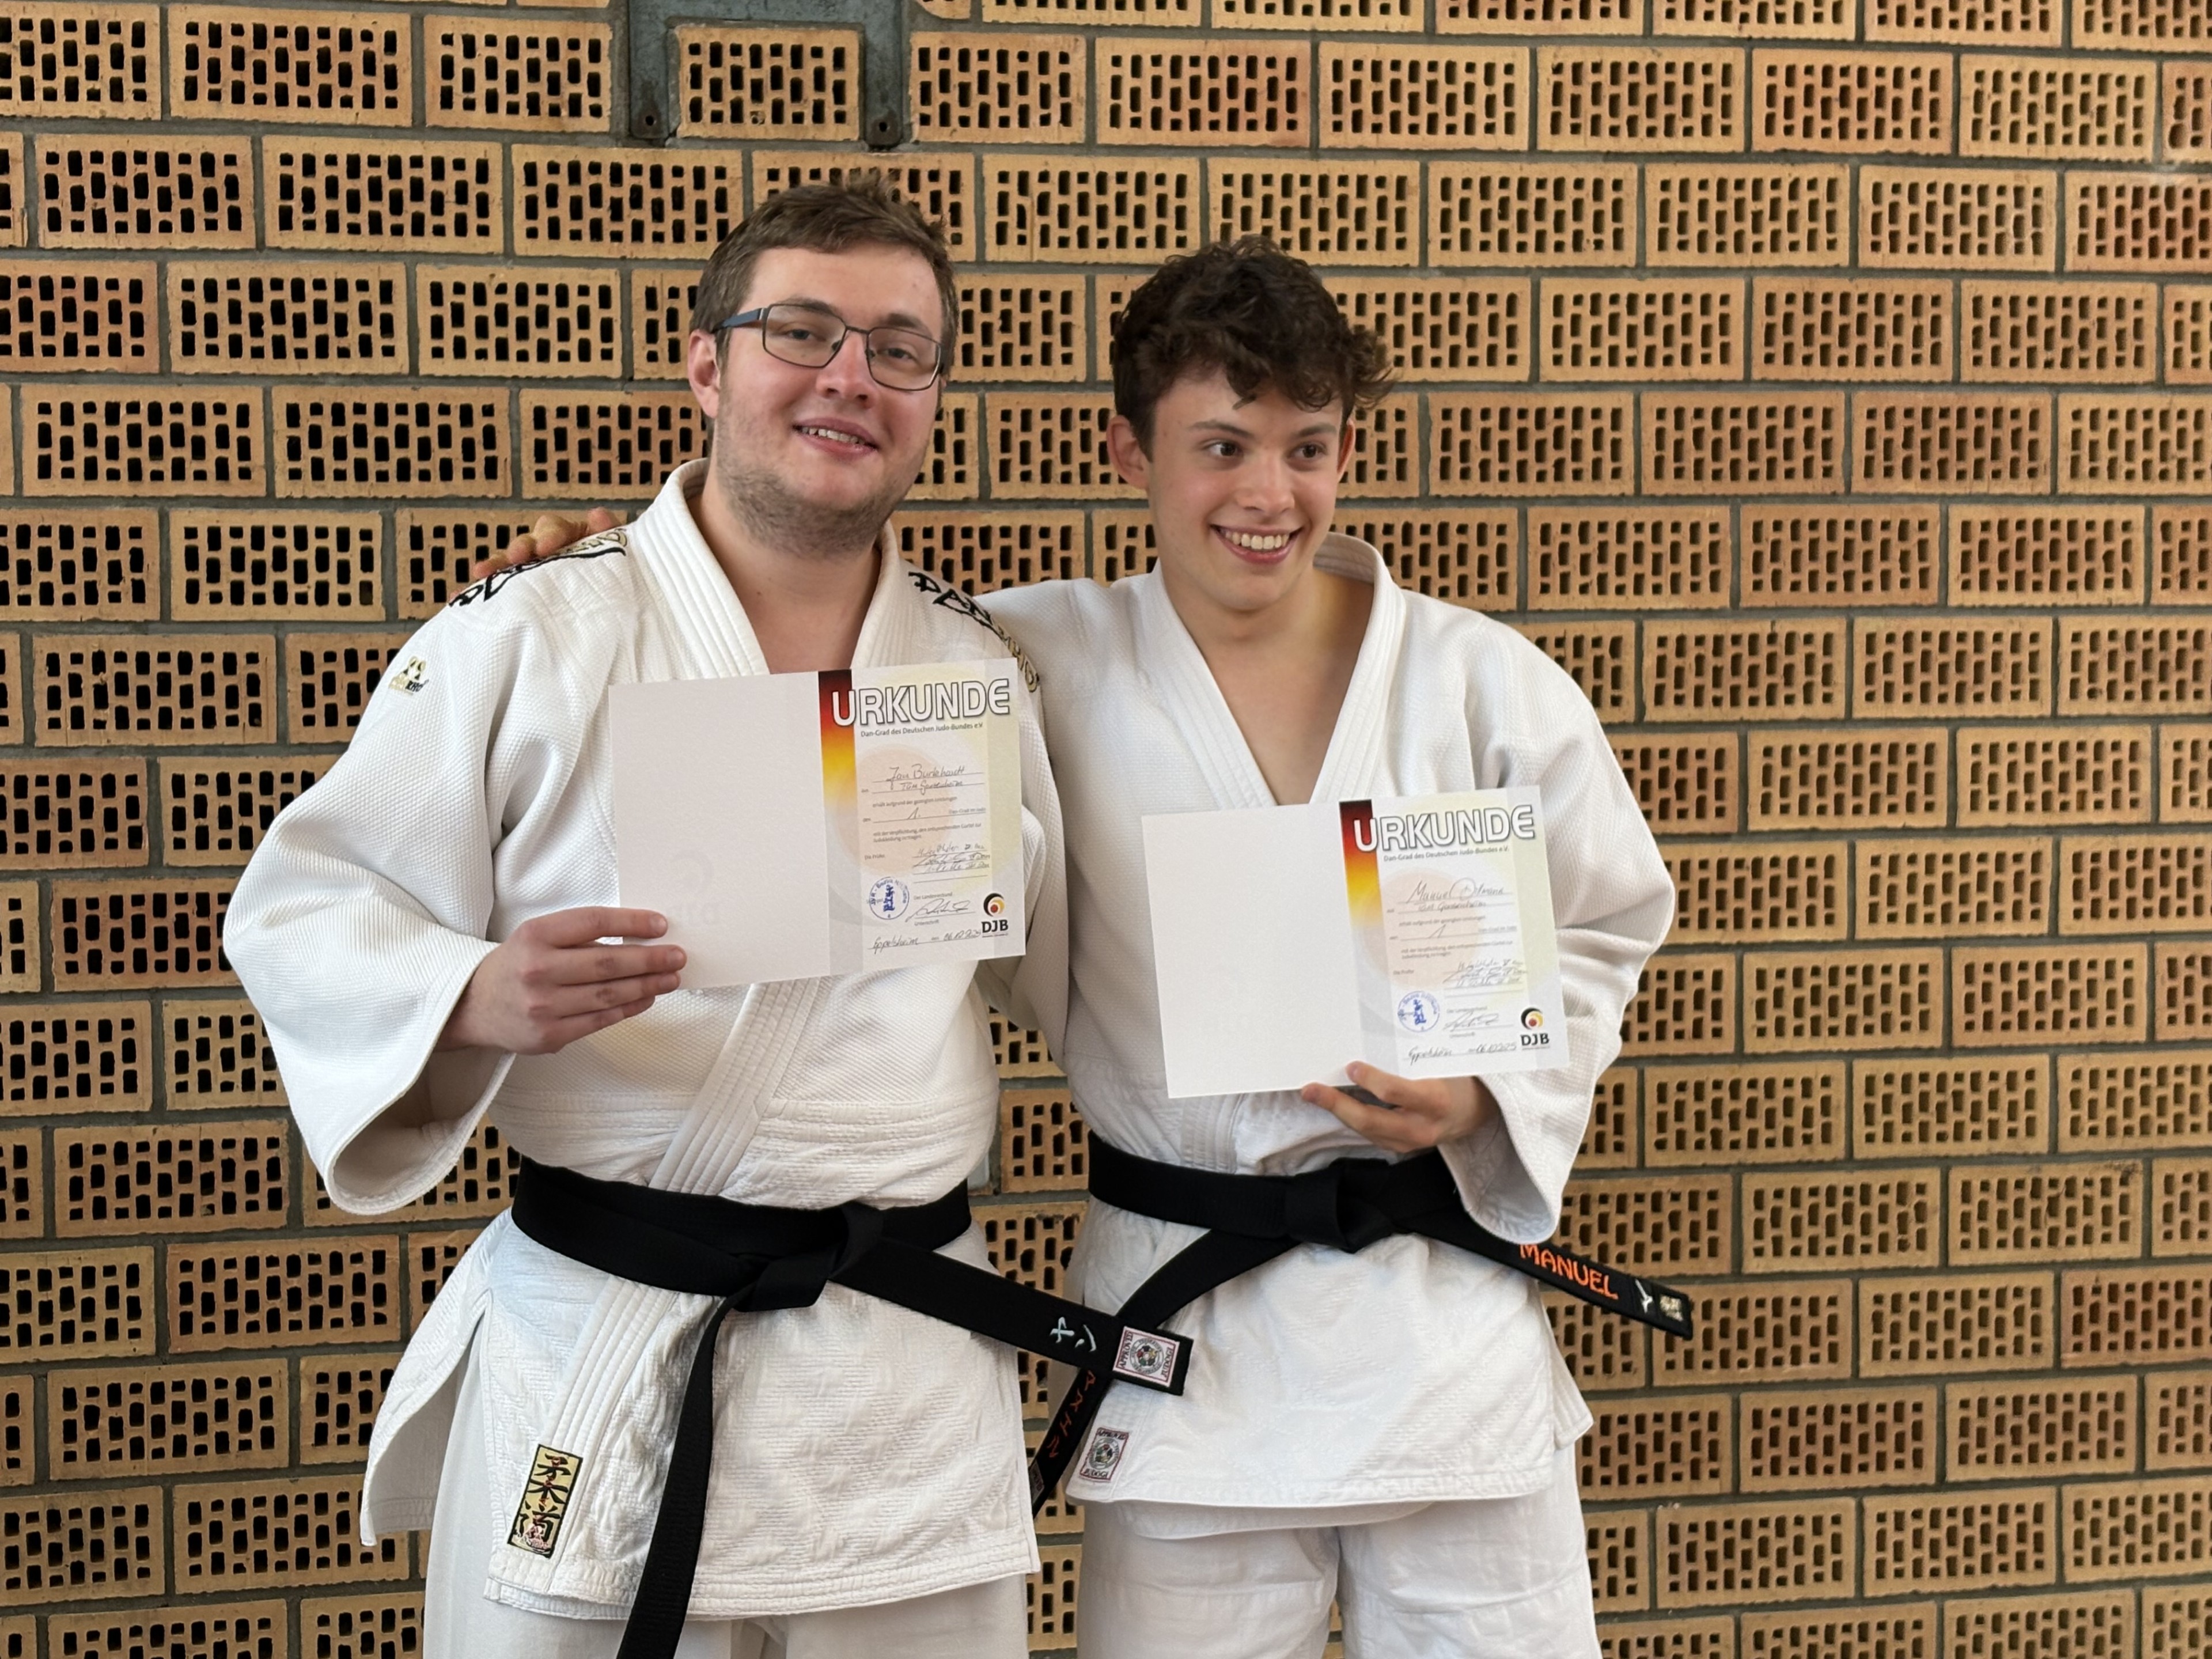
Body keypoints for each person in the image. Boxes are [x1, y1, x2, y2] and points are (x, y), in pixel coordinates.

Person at [502, 238, 1676, 1658]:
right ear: (1132, 453)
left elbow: (1606, 921)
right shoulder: (1024, 663)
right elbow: (810, 682)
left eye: (1308, 449)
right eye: (1221, 446)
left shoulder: (1483, 679)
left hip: (1448, 1345)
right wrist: (610, 588)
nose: (1268, 494)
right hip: (1187, 1343)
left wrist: (1487, 1096)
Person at [225, 180, 1072, 1659]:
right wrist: (472, 991)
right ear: (706, 367)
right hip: (609, 1331)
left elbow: (1073, 960)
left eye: (898, 349)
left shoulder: (976, 672)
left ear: (934, 395)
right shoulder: (533, 632)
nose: (849, 377)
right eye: (799, 331)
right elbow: (307, 904)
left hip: (900, 1371)